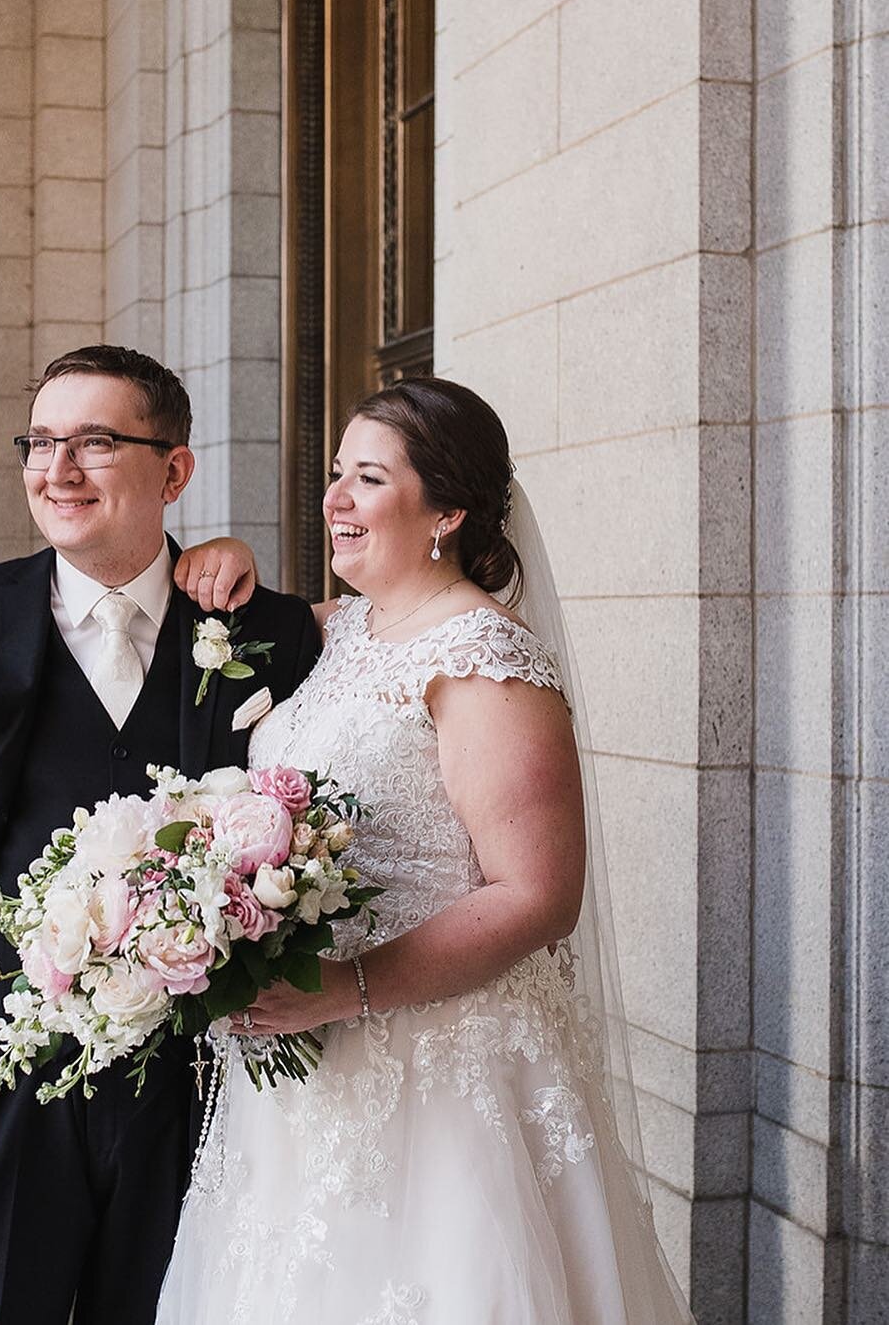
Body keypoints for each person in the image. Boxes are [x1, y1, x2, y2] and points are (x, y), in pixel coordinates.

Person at [158, 376, 696, 1325]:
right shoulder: (338, 629)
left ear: (446, 510)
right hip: (303, 1057)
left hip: (439, 1064)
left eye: (366, 478)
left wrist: (349, 987)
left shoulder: (484, 659)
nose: (332, 499)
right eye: (335, 475)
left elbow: (535, 895)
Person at [0, 344, 321, 1325]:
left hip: (205, 1091)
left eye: (94, 442)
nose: (57, 470)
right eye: (40, 443)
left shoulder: (270, 633)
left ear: (174, 470)